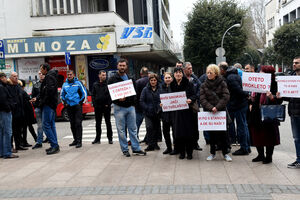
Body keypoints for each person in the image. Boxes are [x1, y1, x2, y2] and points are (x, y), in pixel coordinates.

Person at [108, 59, 146, 157]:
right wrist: (117, 99)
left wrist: (133, 104)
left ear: (126, 66)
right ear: (117, 66)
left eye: (123, 65)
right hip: (119, 108)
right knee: (121, 130)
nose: (122, 67)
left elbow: (134, 93)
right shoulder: (112, 79)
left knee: (133, 129)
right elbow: (110, 94)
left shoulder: (130, 78)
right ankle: (125, 149)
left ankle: (136, 148)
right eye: (120, 65)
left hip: (130, 108)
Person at [248, 65, 282, 164]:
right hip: (256, 112)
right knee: (256, 134)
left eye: (262, 72)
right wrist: (251, 101)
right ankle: (260, 155)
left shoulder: (275, 84)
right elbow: (253, 96)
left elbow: (279, 100)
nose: (260, 73)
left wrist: (272, 97)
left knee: (269, 135)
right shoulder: (257, 84)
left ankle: (269, 156)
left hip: (269, 113)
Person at [200, 64, 232, 162]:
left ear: (216, 73)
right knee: (212, 134)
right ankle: (212, 153)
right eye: (207, 73)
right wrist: (211, 107)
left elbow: (226, 96)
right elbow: (202, 98)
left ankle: (225, 153)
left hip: (220, 112)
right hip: (210, 113)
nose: (208, 75)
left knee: (223, 134)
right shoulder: (204, 84)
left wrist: (217, 107)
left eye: (211, 73)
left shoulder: (222, 83)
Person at [219, 62, 251, 155]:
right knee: (243, 126)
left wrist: (246, 95)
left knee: (241, 127)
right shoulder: (232, 75)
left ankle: (244, 148)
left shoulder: (230, 78)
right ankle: (247, 147)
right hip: (239, 104)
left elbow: (238, 90)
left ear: (222, 70)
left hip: (238, 105)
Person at [277, 56, 300, 168]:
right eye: (293, 62)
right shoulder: (290, 77)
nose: (294, 64)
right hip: (294, 113)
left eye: (297, 63)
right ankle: (299, 159)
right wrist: (281, 95)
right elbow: (289, 97)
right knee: (296, 138)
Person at [170, 67, 196, 160]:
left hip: (187, 112)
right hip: (176, 113)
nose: (178, 74)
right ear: (174, 74)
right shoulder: (171, 85)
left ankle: (189, 153)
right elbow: (167, 97)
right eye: (176, 72)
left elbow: (194, 95)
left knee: (188, 133)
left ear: (182, 74)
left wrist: (191, 99)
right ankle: (181, 152)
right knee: (178, 133)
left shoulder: (188, 84)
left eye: (180, 72)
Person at [60, 70, 87, 148]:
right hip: (69, 106)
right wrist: (65, 103)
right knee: (72, 124)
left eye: (70, 74)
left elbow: (84, 93)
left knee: (78, 123)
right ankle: (75, 140)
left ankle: (79, 141)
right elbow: (62, 95)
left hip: (77, 106)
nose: (69, 76)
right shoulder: (65, 85)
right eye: (68, 75)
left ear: (73, 75)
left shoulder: (78, 83)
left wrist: (80, 103)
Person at [38, 63, 60, 155]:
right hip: (50, 104)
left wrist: (42, 101)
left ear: (45, 69)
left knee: (45, 125)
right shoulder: (51, 76)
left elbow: (49, 91)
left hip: (48, 104)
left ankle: (54, 145)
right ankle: (54, 145)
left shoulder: (49, 77)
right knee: (51, 125)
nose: (40, 71)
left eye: (41, 69)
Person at [140, 73, 162, 151]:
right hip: (148, 113)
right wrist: (147, 108)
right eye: (151, 80)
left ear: (157, 81)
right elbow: (142, 101)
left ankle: (155, 144)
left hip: (157, 112)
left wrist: (159, 107)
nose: (153, 82)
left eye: (154, 80)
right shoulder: (145, 89)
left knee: (156, 128)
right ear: (149, 81)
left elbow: (162, 99)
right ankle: (150, 144)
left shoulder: (160, 89)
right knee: (149, 128)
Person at [184, 62, 202, 151]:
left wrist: (195, 98)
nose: (191, 70)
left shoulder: (194, 78)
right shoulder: (182, 79)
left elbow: (200, 89)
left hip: (194, 105)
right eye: (188, 68)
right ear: (184, 69)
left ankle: (195, 143)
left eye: (191, 68)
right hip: (183, 106)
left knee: (195, 125)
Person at [91, 70, 113, 144]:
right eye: (103, 75)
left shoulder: (108, 84)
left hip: (106, 106)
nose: (104, 76)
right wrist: (94, 104)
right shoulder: (95, 84)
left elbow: (111, 95)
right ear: (99, 75)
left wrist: (108, 103)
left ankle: (110, 138)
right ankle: (97, 139)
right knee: (98, 123)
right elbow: (93, 95)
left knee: (108, 123)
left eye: (105, 75)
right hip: (98, 107)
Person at [0, 72, 18, 159]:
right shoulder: (2, 87)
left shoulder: (3, 86)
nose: (5, 79)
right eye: (4, 77)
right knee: (7, 132)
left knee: (2, 132)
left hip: (2, 111)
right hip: (5, 111)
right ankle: (7, 152)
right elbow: (4, 100)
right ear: (1, 78)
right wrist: (9, 108)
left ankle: (2, 152)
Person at [7, 72, 27, 151]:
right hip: (13, 112)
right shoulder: (8, 86)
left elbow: (24, 94)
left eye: (17, 76)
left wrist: (30, 99)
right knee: (12, 131)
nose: (16, 77)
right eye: (14, 76)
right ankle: (11, 147)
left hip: (20, 112)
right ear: (11, 77)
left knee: (19, 130)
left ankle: (18, 145)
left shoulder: (18, 86)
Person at [160, 72, 176, 154]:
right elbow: (158, 99)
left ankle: (176, 147)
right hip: (165, 114)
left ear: (172, 78)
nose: (167, 79)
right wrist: (160, 104)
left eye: (169, 77)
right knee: (165, 132)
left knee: (175, 132)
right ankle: (169, 147)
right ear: (164, 79)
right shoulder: (161, 88)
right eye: (166, 78)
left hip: (174, 114)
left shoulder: (175, 87)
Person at [19, 79, 37, 147]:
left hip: (25, 112)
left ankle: (24, 141)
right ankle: (24, 141)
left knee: (25, 127)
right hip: (26, 112)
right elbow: (27, 101)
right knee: (25, 127)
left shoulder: (21, 91)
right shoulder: (22, 92)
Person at [31, 71, 46, 149]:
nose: (41, 75)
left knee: (48, 124)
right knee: (40, 125)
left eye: (42, 74)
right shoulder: (35, 84)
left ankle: (50, 139)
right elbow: (33, 96)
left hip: (46, 107)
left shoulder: (48, 83)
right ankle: (39, 141)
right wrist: (35, 104)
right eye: (40, 74)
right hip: (38, 107)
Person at [135, 67, 149, 141]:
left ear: (141, 74)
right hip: (149, 106)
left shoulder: (138, 82)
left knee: (137, 124)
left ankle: (135, 138)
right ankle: (147, 138)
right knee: (149, 124)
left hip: (139, 107)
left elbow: (136, 95)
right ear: (148, 73)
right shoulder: (152, 81)